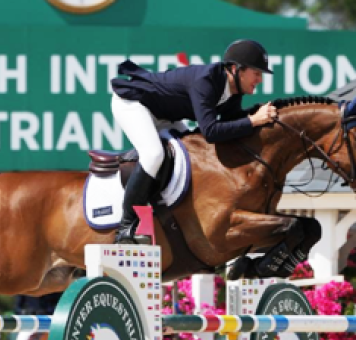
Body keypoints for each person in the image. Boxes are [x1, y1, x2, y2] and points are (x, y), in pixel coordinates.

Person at [109, 39, 278, 244]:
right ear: (236, 69)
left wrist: (259, 117)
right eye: (257, 73)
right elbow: (211, 132)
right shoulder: (206, 81)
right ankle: (126, 227)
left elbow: (232, 124)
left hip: (164, 115)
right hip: (133, 103)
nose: (259, 79)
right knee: (154, 154)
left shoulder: (233, 91)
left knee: (193, 155)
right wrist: (253, 120)